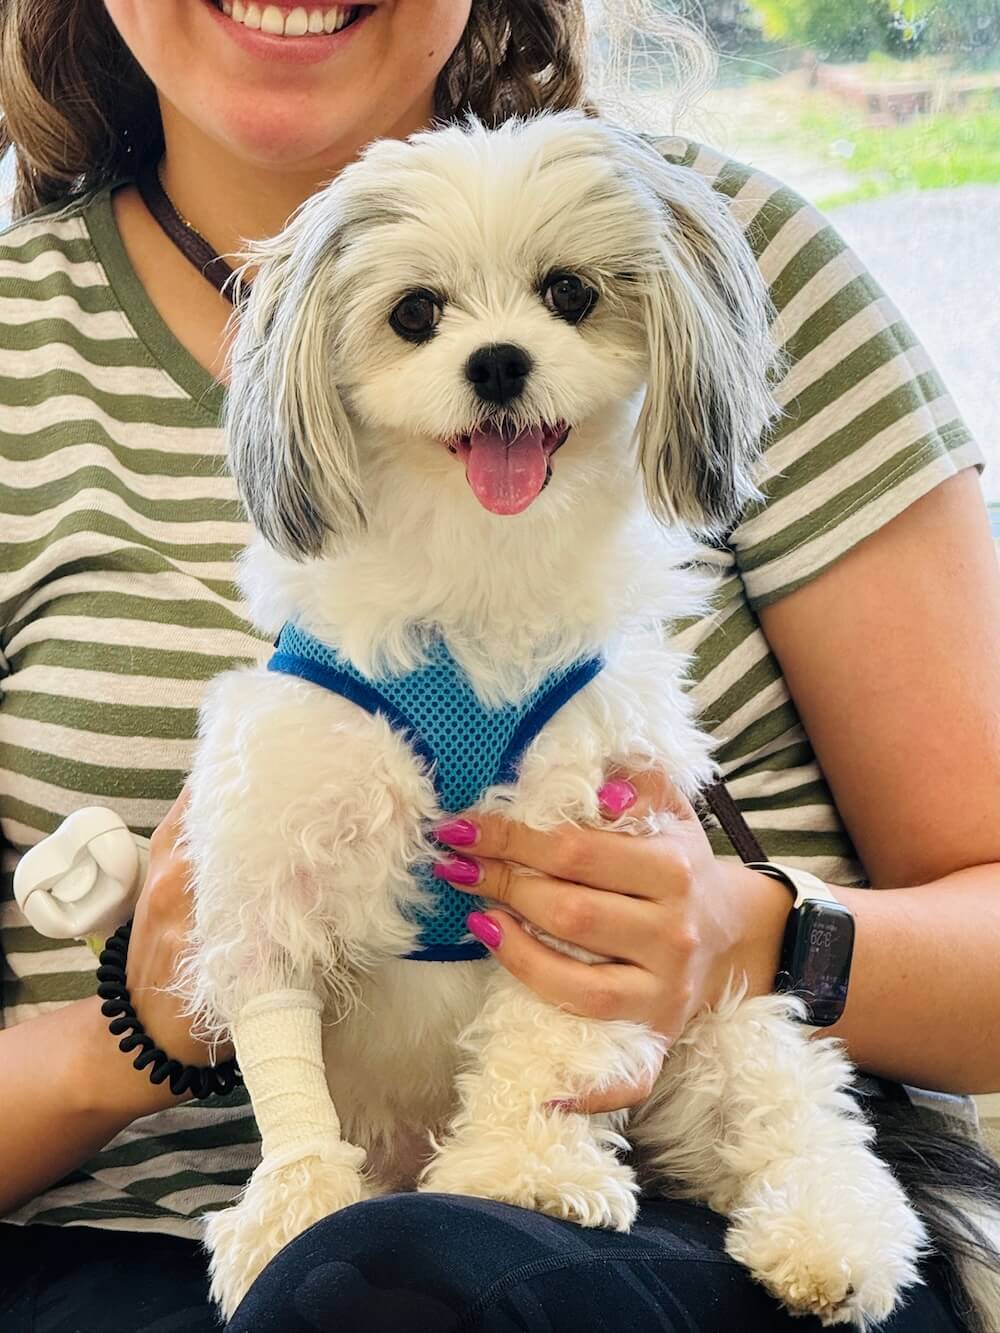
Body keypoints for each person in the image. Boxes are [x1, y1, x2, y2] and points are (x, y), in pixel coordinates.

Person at [0, 2, 998, 1330]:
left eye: (568, 298)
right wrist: (134, 1027)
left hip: (673, 1234)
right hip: (144, 1262)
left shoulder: (719, 257)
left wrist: (752, 935)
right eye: (416, 312)